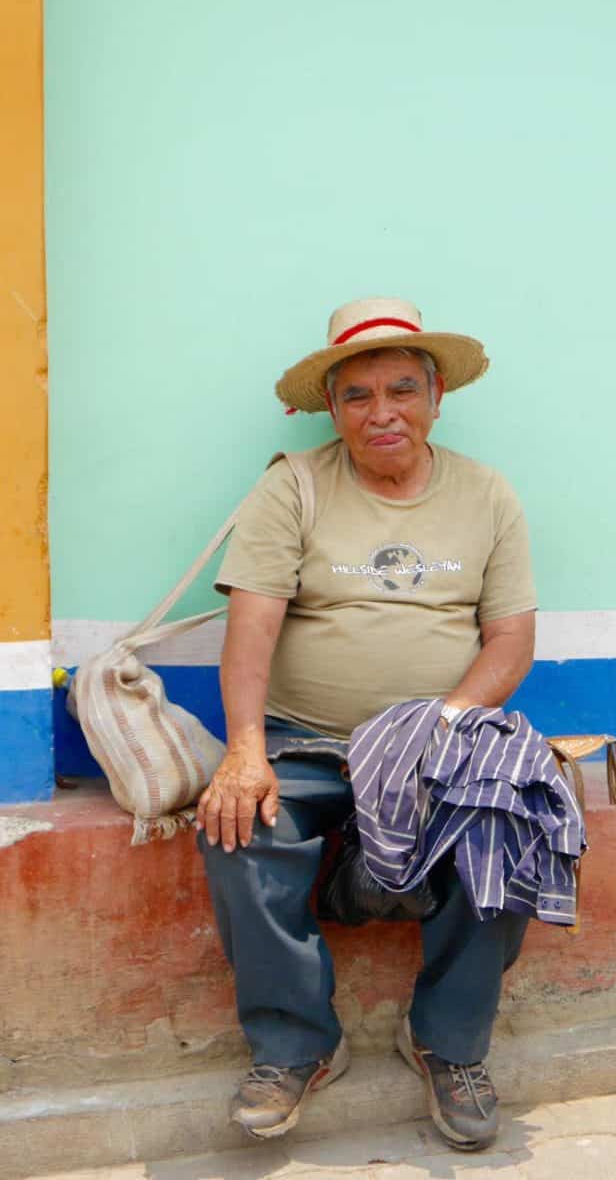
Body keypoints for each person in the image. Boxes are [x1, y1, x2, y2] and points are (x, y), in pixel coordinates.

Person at [196, 297, 538, 1151]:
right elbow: (251, 630)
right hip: (306, 735)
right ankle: (297, 1048)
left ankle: (448, 1046)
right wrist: (243, 751)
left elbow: (510, 641)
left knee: (508, 822)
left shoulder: (487, 493)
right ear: (334, 408)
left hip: (443, 738)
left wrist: (445, 723)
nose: (381, 413)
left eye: (400, 390)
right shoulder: (294, 487)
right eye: (358, 396)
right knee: (242, 829)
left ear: (435, 395)